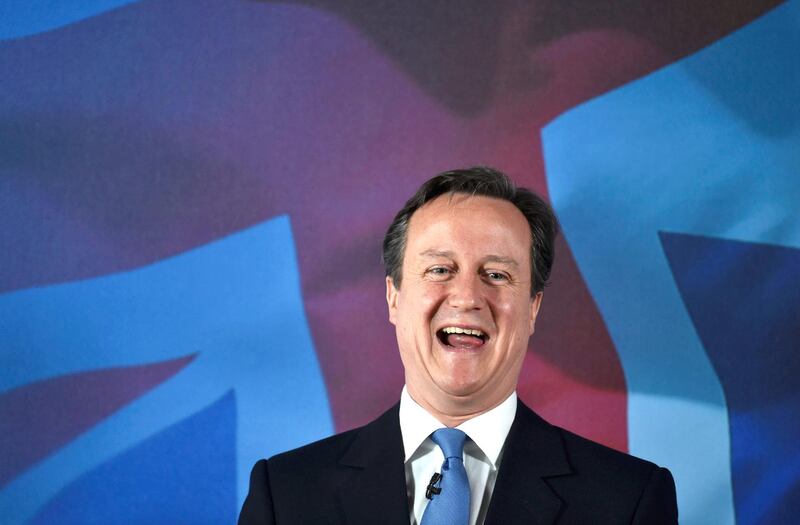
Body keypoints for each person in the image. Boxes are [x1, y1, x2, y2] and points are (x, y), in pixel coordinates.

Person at [238, 167, 678, 524]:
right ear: (394, 296)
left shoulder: (628, 501)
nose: (467, 297)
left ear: (533, 310)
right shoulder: (287, 493)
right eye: (440, 270)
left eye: (497, 275)